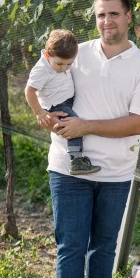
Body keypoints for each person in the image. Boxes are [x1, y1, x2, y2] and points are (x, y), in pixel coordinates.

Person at [39, 0, 140, 278]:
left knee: (104, 246)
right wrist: (44, 115)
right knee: (72, 246)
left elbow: (139, 122)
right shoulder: (77, 54)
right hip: (68, 169)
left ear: (128, 18)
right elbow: (44, 83)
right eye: (100, 15)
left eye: (112, 14)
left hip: (115, 172)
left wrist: (86, 126)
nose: (106, 21)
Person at [24, 29, 101, 175]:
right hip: (58, 105)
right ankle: (76, 161)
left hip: (68, 100)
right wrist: (39, 112)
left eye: (69, 64)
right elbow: (29, 91)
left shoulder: (61, 62)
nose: (64, 68)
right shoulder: (41, 70)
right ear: (47, 55)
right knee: (73, 127)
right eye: (60, 64)